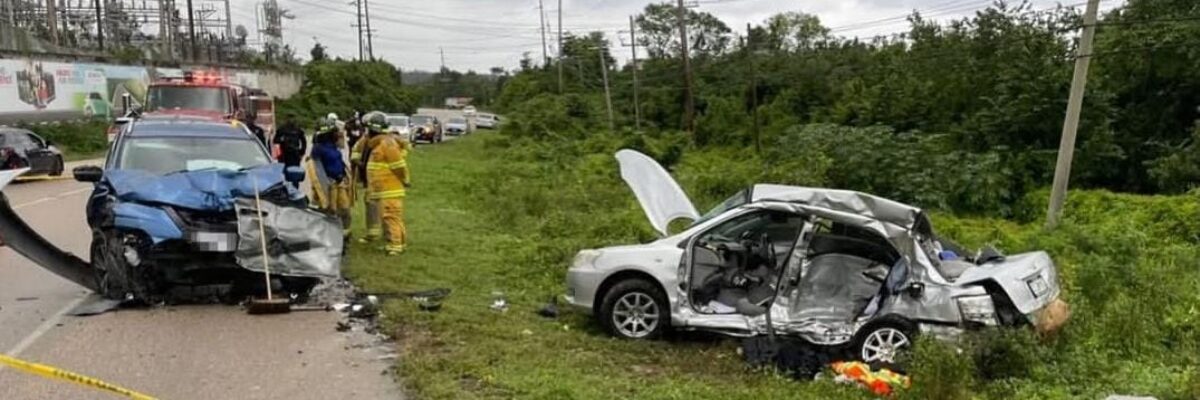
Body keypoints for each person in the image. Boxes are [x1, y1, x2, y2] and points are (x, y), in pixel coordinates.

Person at [358, 113, 410, 255]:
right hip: (383, 188)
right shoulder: (380, 143)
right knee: (389, 217)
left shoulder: (387, 144)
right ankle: (395, 242)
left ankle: (396, 245)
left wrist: (405, 180)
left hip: (390, 188)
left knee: (391, 216)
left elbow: (398, 166)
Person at [307, 120, 353, 243]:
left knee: (345, 209)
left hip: (340, 183)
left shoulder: (333, 146)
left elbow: (341, 151)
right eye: (334, 132)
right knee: (329, 210)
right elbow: (317, 169)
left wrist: (344, 175)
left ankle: (345, 235)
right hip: (329, 185)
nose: (337, 134)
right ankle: (329, 237)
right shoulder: (318, 149)